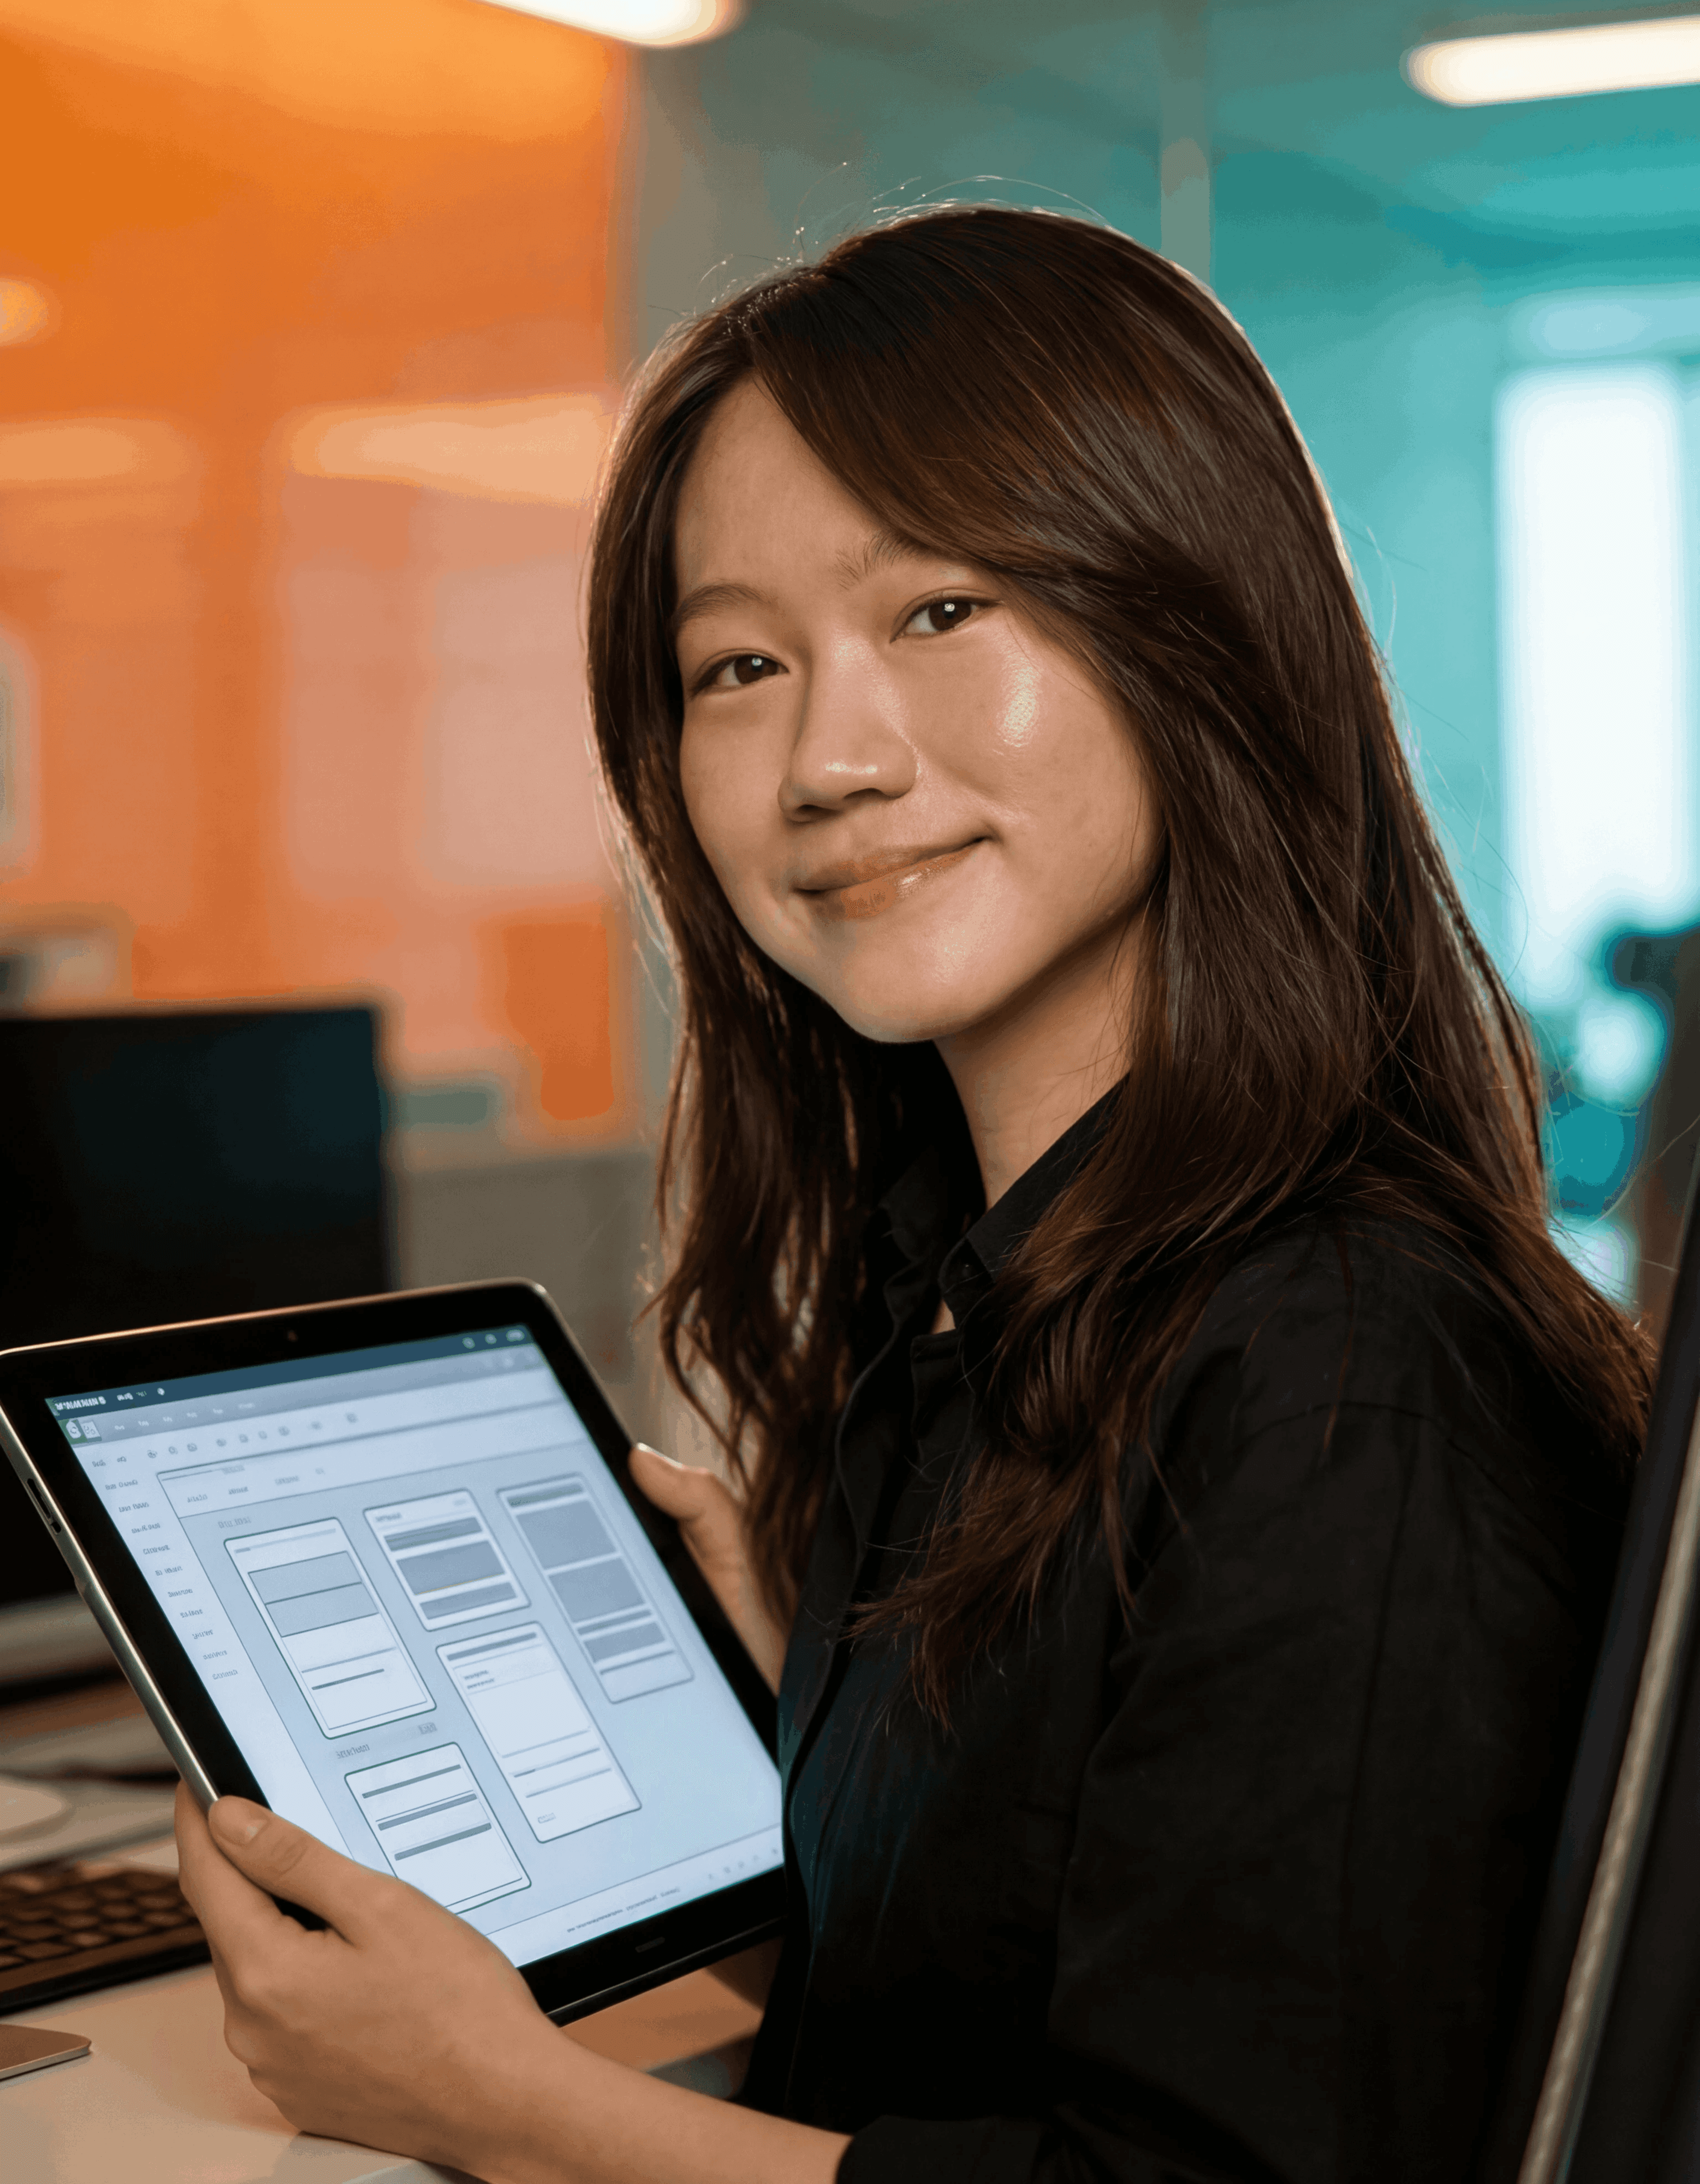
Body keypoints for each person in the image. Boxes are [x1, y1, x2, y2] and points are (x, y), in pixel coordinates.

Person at [176, 206, 1651, 2184]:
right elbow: (1024, 1995)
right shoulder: (985, 1306)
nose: (828, 760)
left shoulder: (1341, 1371)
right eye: (738, 664)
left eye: (940, 610)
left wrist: (502, 2107)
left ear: (1196, 623)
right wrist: (840, 1761)